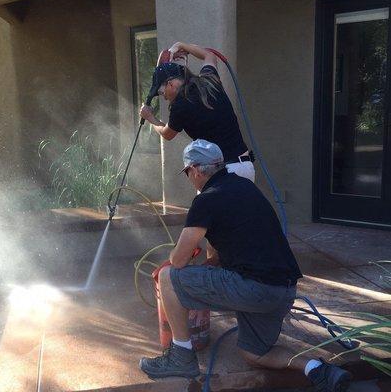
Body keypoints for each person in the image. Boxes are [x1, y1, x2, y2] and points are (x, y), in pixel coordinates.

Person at [139, 139, 352, 392]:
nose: (189, 178)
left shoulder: (206, 200)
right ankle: (318, 369)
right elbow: (233, 242)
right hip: (283, 291)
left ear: (195, 169)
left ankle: (181, 358)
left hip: (254, 288)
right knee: (254, 353)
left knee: (168, 277)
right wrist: (203, 279)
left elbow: (178, 261)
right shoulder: (246, 187)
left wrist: (188, 280)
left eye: (187, 172)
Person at [140, 42, 255, 182]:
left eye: (161, 91)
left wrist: (150, 117)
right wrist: (181, 45)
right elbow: (209, 55)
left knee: (204, 204)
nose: (163, 96)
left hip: (222, 174)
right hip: (245, 167)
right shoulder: (209, 80)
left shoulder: (180, 105)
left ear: (170, 84)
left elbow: (167, 133)